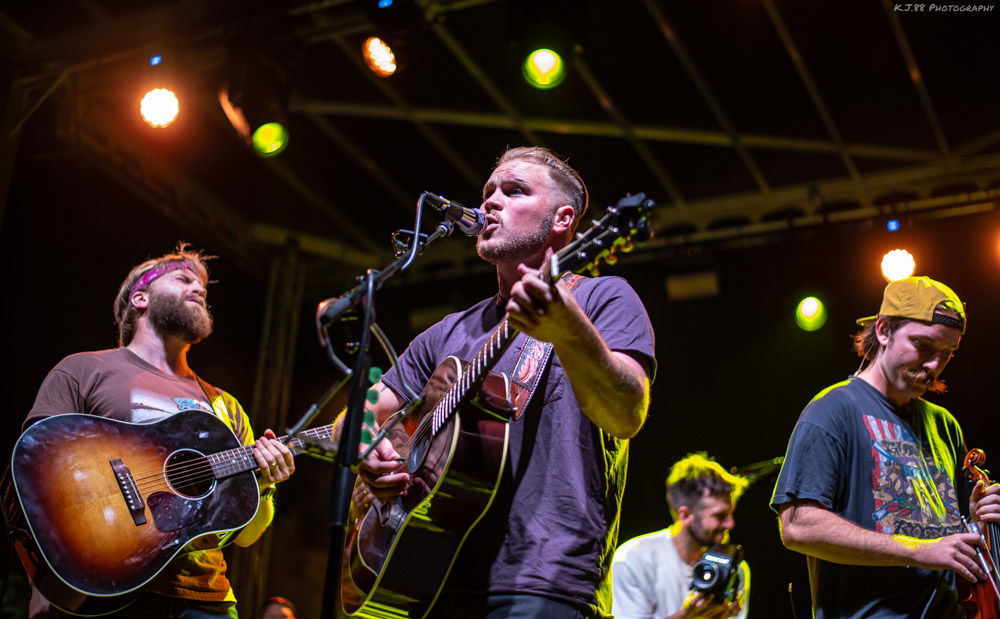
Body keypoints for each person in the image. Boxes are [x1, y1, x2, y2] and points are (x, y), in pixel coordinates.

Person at [355, 146, 657, 618]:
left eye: (514, 191)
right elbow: (367, 404)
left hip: (545, 580)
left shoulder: (603, 299)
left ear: (563, 220)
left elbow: (626, 414)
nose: (490, 202)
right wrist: (367, 445)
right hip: (429, 574)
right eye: (488, 192)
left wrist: (570, 333)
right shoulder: (447, 331)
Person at [20, 244, 295, 618]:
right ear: (140, 297)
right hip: (102, 589)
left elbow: (246, 535)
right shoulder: (83, 370)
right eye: (183, 279)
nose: (199, 290)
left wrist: (263, 487)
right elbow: (33, 467)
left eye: (203, 288)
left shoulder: (225, 406)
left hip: (205, 601)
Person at [771, 275, 1000, 618]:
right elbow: (798, 526)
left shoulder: (944, 424)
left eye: (946, 354)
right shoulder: (832, 410)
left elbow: (945, 540)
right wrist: (917, 551)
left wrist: (975, 520)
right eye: (923, 347)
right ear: (883, 330)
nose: (934, 366)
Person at [611, 452, 750, 619]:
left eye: (731, 513)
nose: (730, 524)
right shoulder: (633, 558)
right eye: (720, 516)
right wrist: (687, 617)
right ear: (685, 515)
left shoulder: (733, 568)